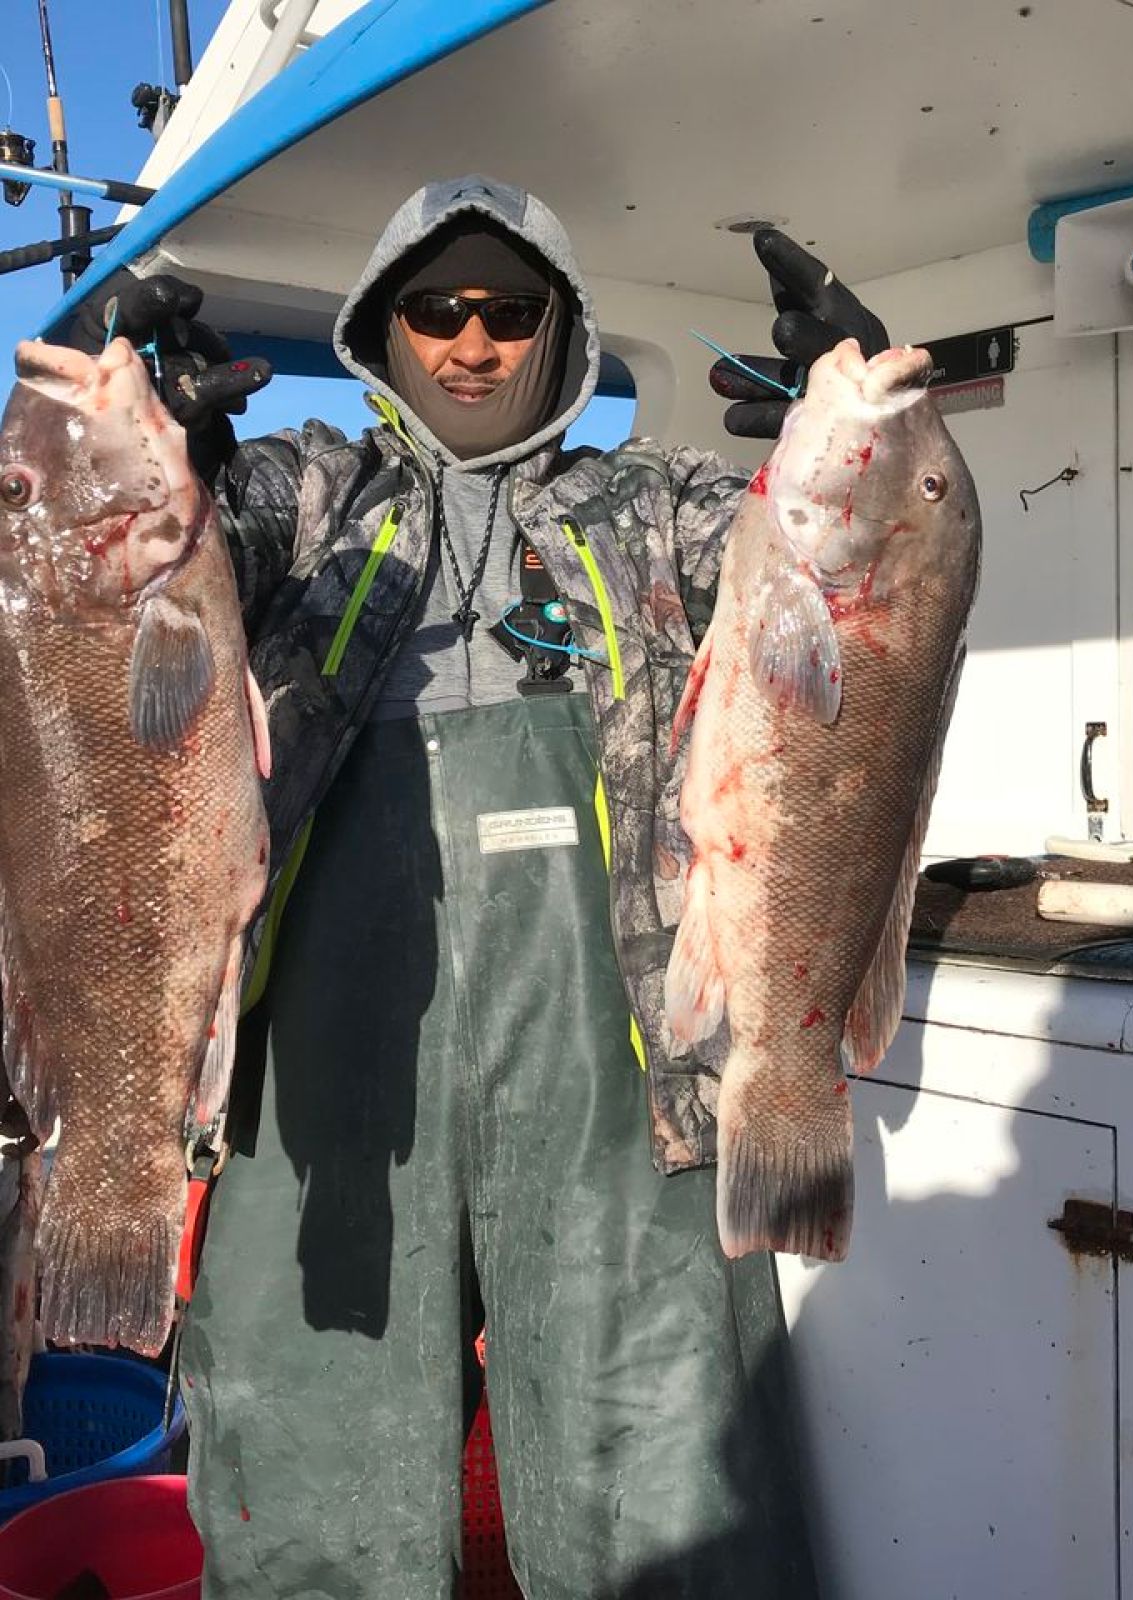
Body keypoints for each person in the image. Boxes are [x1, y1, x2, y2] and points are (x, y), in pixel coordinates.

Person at [70, 175, 888, 1600]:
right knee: (309, 1465)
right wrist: (152, 453)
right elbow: (118, 585)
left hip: (616, 1056)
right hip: (325, 1061)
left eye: (509, 312)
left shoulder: (659, 503)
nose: (470, 343)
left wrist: (858, 460)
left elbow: (854, 596)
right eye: (434, 308)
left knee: (667, 1456)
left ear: (558, 330)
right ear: (384, 326)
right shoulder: (304, 494)